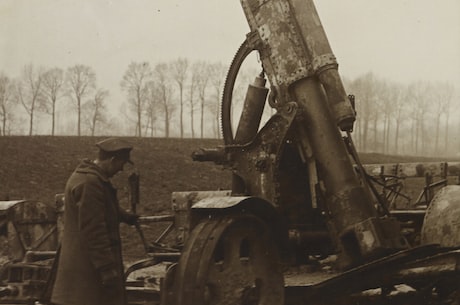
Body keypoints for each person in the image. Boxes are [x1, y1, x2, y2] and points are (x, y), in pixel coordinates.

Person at [50, 138, 139, 305]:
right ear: (112, 160)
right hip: (88, 271)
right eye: (121, 164)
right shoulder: (90, 183)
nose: (121, 169)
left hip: (84, 267)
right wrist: (107, 269)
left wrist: (124, 216)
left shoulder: (88, 178)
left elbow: (98, 208)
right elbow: (94, 230)